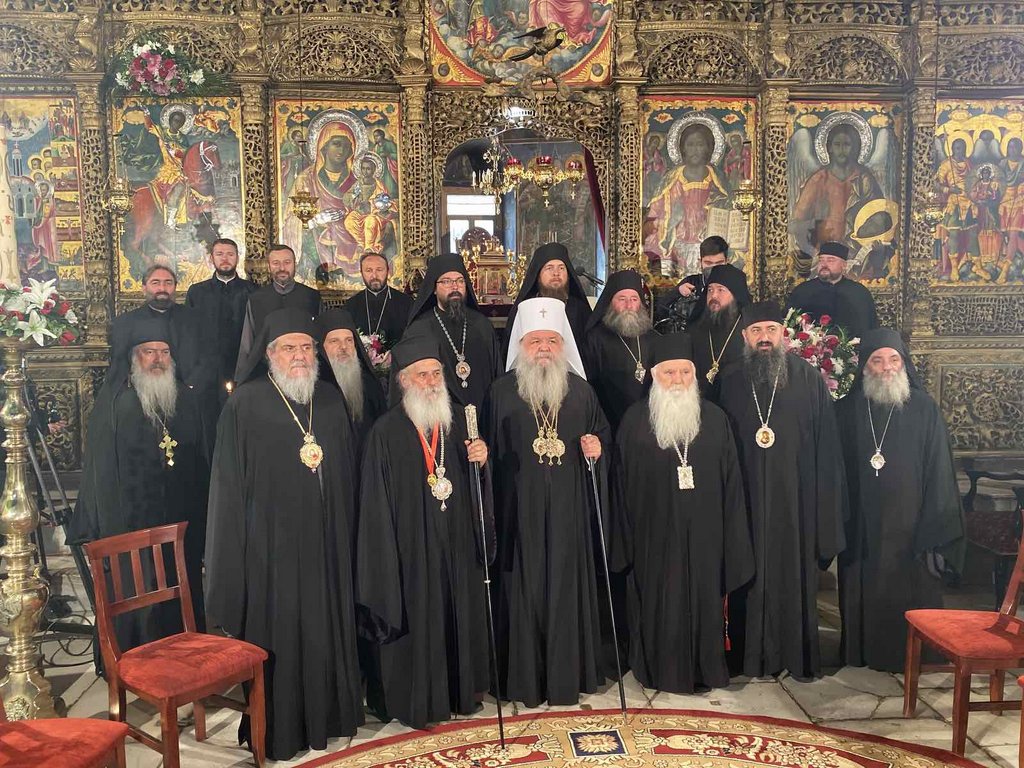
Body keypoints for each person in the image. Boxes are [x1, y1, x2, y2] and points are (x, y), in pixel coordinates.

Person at [206, 308, 363, 761]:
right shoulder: (246, 404)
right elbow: (228, 486)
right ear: (269, 353)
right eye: (289, 347)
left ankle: (333, 716)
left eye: (306, 347)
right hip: (270, 550)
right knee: (282, 636)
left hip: (327, 544)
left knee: (327, 629)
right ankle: (282, 727)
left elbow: (347, 476)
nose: (299, 355)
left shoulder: (329, 400)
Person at [356, 336, 493, 728]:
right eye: (422, 375)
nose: (432, 382)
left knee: (456, 612)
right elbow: (375, 504)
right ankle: (420, 700)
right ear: (403, 381)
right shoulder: (385, 432)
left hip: (456, 545)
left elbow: (476, 488)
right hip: (410, 550)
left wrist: (482, 462)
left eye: (436, 374)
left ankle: (460, 692)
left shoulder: (457, 423)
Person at [611, 333, 752, 693]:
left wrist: (732, 540)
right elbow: (620, 487)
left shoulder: (715, 419)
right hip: (653, 538)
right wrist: (625, 544)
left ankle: (706, 669)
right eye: (669, 373)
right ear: (654, 376)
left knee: (704, 600)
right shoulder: (634, 421)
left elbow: (733, 484)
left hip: (707, 536)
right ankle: (657, 669)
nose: (677, 381)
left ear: (695, 375)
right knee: (660, 602)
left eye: (685, 372)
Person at [486, 297, 609, 707]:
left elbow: (602, 441)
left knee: (565, 588)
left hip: (568, 515)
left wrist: (597, 451)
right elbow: (486, 456)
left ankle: (567, 676)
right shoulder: (501, 393)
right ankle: (523, 678)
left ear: (563, 346)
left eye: (552, 341)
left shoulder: (582, 392)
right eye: (535, 340)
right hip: (517, 515)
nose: (543, 348)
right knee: (521, 591)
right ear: (521, 345)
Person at [717, 301, 847, 679]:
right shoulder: (729, 380)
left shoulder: (807, 378)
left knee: (792, 574)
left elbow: (826, 448)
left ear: (783, 334)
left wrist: (823, 506)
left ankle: (794, 653)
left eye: (771, 330)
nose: (764, 338)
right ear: (745, 336)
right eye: (756, 331)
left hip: (796, 500)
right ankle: (743, 657)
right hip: (744, 501)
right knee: (746, 572)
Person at [69, 319, 209, 649]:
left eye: (164, 352)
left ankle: (185, 650)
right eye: (149, 352)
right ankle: (137, 655)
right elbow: (102, 475)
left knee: (182, 584)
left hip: (179, 520)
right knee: (139, 592)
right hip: (131, 523)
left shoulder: (184, 401)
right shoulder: (115, 406)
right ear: (134, 357)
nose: (158, 359)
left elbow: (200, 459)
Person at [836, 328, 964, 673]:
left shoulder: (924, 409)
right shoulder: (845, 411)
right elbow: (833, 471)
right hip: (862, 524)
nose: (887, 368)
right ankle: (862, 652)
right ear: (864, 367)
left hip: (912, 524)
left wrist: (935, 526)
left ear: (904, 364)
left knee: (911, 588)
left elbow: (940, 468)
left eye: (894, 359)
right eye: (877, 361)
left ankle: (915, 655)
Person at [404, 253, 502, 408]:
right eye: (446, 281)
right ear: (434, 288)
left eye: (460, 281)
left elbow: (496, 374)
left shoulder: (482, 325)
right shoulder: (420, 329)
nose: (455, 287)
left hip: (483, 411)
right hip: (439, 413)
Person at [184, 238, 256, 415]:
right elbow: (189, 334)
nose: (225, 258)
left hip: (242, 369)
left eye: (230, 254)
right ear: (211, 258)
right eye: (220, 254)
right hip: (207, 371)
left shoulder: (253, 291)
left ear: (237, 257)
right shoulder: (197, 292)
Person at [107, 264, 206, 392]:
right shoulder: (125, 323)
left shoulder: (195, 320)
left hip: (190, 394)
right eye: (155, 283)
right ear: (144, 288)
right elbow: (119, 366)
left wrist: (193, 384)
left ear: (175, 287)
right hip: (142, 394)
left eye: (168, 283)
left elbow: (207, 357)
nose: (162, 288)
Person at [583, 270, 657, 433]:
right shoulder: (595, 338)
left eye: (634, 299)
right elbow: (589, 385)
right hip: (608, 422)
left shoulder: (653, 338)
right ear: (610, 301)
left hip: (647, 424)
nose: (629, 306)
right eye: (622, 299)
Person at [234, 243, 321, 380]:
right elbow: (247, 343)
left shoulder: (312, 297)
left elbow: (320, 340)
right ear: (269, 266)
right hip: (265, 374)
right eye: (276, 263)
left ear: (295, 264)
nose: (282, 268)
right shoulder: (256, 299)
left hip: (304, 371)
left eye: (287, 262)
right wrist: (241, 377)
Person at [503, 242, 592, 365]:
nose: (556, 273)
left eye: (561, 268)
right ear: (538, 275)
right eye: (549, 268)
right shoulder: (526, 308)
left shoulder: (580, 309)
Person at [316, 307, 387, 450]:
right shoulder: (314, 387)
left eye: (349, 340)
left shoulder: (370, 384)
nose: (344, 347)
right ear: (322, 347)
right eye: (334, 341)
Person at [786, 241, 878, 339]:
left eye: (830, 260)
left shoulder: (859, 293)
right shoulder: (803, 291)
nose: (824, 265)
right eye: (821, 260)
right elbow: (790, 327)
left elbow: (869, 328)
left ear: (844, 265)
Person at [691, 263, 752, 403]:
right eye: (710, 290)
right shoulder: (695, 330)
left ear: (735, 295)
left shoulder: (748, 330)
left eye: (721, 290)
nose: (714, 295)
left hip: (739, 402)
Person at [342, 251, 412, 357]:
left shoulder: (406, 303)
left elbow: (412, 339)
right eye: (368, 270)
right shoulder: (350, 306)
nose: (374, 276)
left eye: (379, 270)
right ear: (361, 273)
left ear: (388, 271)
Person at [655, 235, 730, 332]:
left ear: (727, 262)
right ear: (700, 262)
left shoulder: (736, 284)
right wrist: (678, 292)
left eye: (719, 263)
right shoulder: (691, 282)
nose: (714, 268)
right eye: (708, 263)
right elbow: (660, 309)